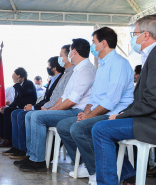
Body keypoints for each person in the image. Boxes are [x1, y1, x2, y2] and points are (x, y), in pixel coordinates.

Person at [57, 27, 134, 185]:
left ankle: (97, 171)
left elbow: (111, 101)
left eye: (94, 42)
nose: (92, 46)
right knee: (65, 126)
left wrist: (89, 116)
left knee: (79, 128)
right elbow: (94, 97)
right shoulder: (102, 65)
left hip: (116, 113)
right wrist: (86, 112)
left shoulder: (119, 64)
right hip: (101, 111)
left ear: (103, 43)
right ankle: (91, 166)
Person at [92, 15, 156, 185]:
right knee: (101, 126)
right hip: (148, 117)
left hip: (151, 121)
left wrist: (121, 116)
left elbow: (152, 101)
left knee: (100, 129)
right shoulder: (150, 55)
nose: (132, 38)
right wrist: (123, 114)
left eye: (134, 33)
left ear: (146, 35)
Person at [16, 38, 96, 172]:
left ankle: (38, 161)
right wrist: (51, 110)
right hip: (70, 108)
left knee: (37, 117)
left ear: (74, 51)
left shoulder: (86, 70)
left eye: (69, 51)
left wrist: (49, 112)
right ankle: (31, 156)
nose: (69, 54)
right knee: (31, 115)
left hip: (77, 111)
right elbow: (64, 96)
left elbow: (72, 100)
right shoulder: (77, 70)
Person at [3, 56, 65, 158]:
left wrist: (33, 107)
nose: (47, 68)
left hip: (48, 108)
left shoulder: (29, 83)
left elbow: (51, 100)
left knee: (22, 115)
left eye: (48, 66)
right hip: (37, 106)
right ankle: (16, 146)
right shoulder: (52, 80)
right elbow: (44, 100)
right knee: (12, 112)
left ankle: (25, 150)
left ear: (54, 67)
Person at [0, 67, 37, 147]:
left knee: (8, 112)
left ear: (21, 77)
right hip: (19, 107)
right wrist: (7, 106)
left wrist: (17, 84)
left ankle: (8, 139)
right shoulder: (18, 86)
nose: (13, 79)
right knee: (0, 111)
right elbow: (16, 101)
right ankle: (3, 137)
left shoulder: (29, 83)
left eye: (14, 77)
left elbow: (23, 93)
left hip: (27, 108)